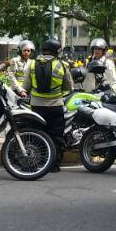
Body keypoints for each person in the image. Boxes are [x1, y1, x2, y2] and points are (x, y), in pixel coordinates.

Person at [22, 37, 73, 172]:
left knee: (36, 135)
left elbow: (26, 87)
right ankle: (54, 165)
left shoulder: (31, 64)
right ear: (56, 51)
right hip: (55, 106)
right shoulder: (62, 65)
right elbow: (69, 87)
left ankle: (34, 163)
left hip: (36, 107)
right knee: (56, 136)